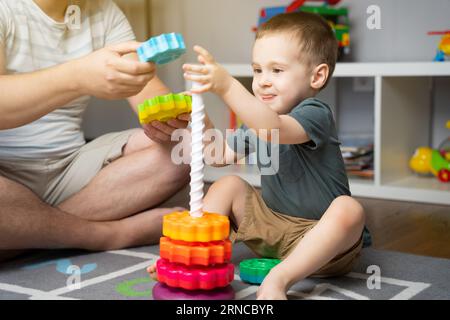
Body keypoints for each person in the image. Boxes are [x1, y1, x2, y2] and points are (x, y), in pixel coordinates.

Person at [149, 11, 371, 300]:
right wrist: (198, 119)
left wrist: (227, 86)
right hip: (272, 232)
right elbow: (217, 155)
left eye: (276, 70)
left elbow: (272, 129)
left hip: (325, 245)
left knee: (349, 209)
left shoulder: (315, 113)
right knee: (227, 184)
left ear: (317, 76)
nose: (263, 81)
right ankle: (191, 257)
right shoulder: (257, 121)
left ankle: (279, 279)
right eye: (257, 70)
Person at [0, 0, 191, 262]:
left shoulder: (105, 12)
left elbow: (153, 101)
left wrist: (185, 117)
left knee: (184, 147)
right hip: (5, 175)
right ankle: (105, 234)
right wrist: (76, 77)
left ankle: (26, 232)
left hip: (71, 170)